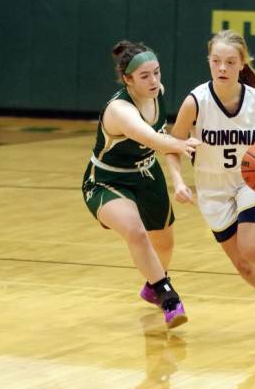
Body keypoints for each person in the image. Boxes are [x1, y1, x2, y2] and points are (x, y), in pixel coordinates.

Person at [165, 29, 255, 333]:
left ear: (242, 63)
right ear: (209, 62)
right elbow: (172, 146)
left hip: (251, 182)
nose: (222, 68)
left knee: (250, 249)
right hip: (211, 188)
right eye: (216, 61)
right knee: (242, 267)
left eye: (230, 62)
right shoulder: (196, 102)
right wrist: (177, 181)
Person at [81, 40, 200, 328]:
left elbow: (161, 143)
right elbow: (151, 138)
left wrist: (177, 180)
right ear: (127, 79)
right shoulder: (119, 109)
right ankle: (169, 297)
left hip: (147, 174)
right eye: (145, 76)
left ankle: (152, 285)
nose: (154, 80)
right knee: (135, 230)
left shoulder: (158, 93)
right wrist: (180, 143)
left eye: (157, 73)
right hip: (107, 179)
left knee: (165, 243)